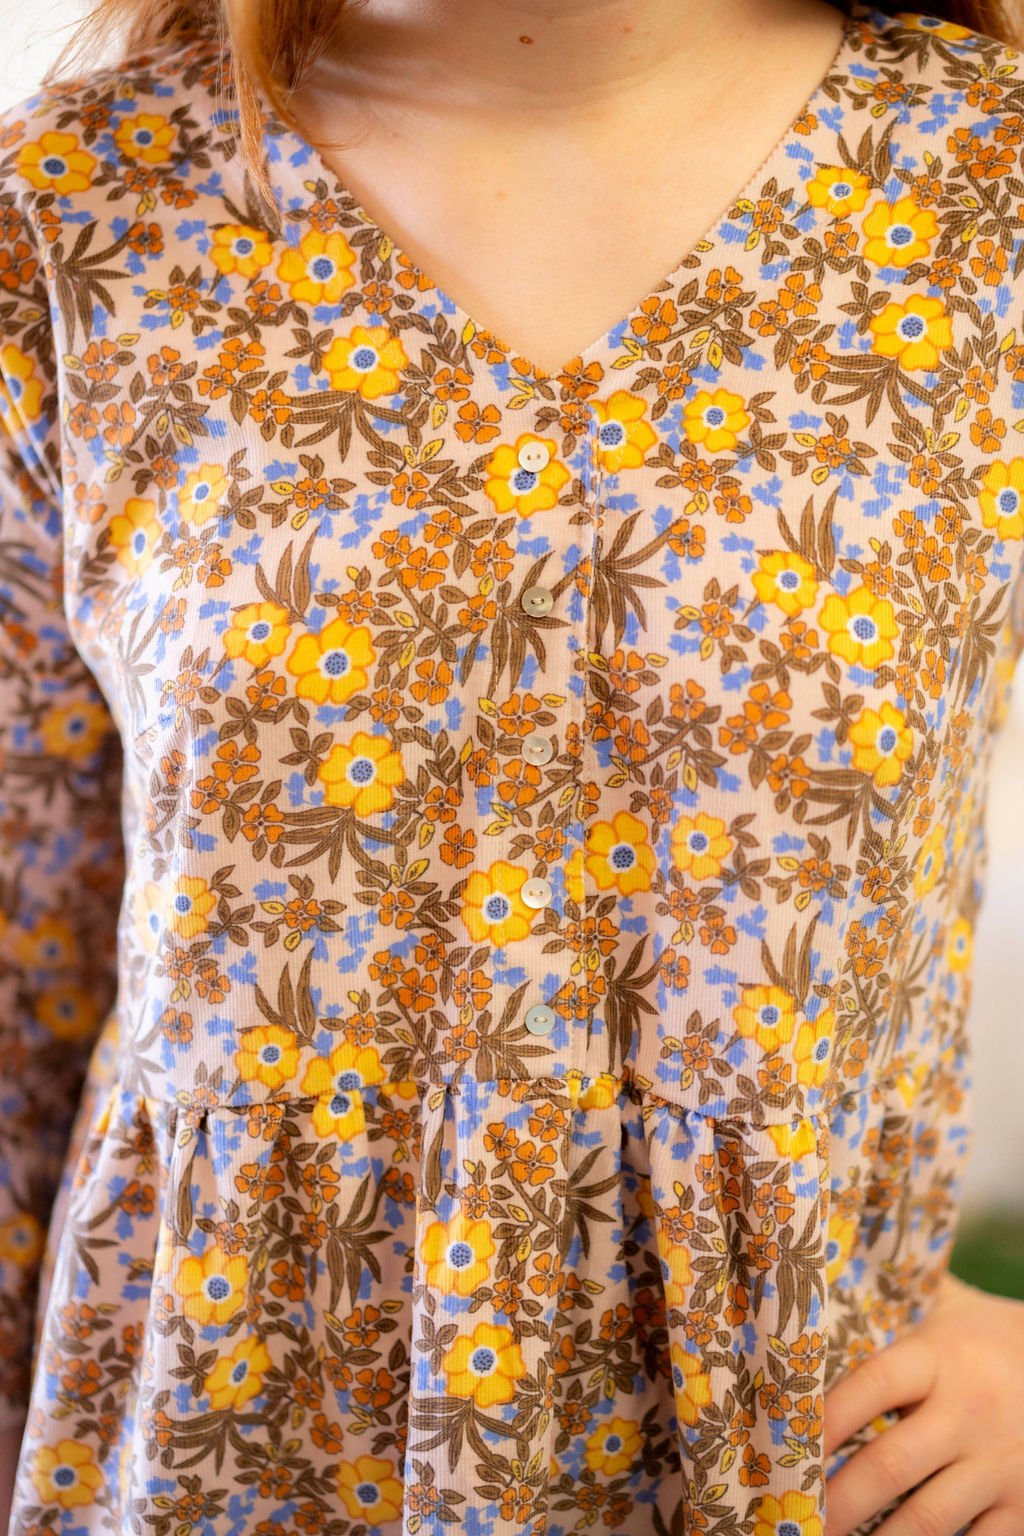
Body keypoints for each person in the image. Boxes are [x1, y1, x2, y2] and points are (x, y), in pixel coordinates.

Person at [0, 0, 1023, 1530]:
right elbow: (25, 949)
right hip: (226, 1451)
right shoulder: (79, 212)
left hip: (803, 1455)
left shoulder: (985, 183)